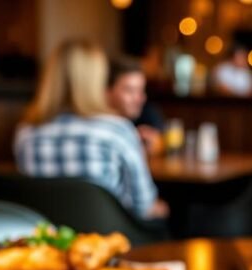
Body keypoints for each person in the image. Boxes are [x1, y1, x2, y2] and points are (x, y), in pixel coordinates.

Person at [14, 39, 168, 220]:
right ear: (96, 80)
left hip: (51, 243)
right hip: (110, 243)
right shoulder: (117, 130)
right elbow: (144, 207)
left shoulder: (25, 133)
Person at [106, 55, 165, 156]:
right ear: (107, 91)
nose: (139, 99)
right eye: (130, 91)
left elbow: (159, 138)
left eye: (141, 91)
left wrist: (156, 142)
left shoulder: (147, 113)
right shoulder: (98, 126)